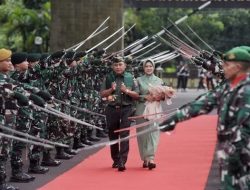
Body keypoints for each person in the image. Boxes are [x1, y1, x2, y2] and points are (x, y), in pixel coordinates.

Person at [160, 46, 250, 190]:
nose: (222, 68)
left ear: (238, 67)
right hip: (229, 152)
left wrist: (234, 154)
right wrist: (174, 119)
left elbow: (245, 128)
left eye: (226, 65)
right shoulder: (228, 86)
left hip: (242, 154)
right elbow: (204, 102)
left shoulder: (247, 90)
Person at [100, 56, 139, 172]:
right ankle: (115, 159)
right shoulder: (108, 77)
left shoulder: (130, 78)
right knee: (112, 135)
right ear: (112, 66)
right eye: (116, 65)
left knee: (124, 134)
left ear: (125, 66)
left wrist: (126, 90)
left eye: (120, 64)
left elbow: (137, 95)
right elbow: (102, 94)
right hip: (112, 109)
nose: (118, 67)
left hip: (126, 109)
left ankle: (122, 160)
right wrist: (111, 90)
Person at [135, 59, 165, 170]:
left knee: (153, 134)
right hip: (141, 109)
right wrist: (145, 97)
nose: (148, 68)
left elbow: (163, 96)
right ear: (143, 68)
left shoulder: (160, 80)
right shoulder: (138, 80)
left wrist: (162, 96)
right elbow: (135, 95)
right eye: (146, 66)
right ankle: (145, 158)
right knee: (142, 135)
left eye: (150, 66)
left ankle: (151, 158)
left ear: (153, 67)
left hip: (155, 110)